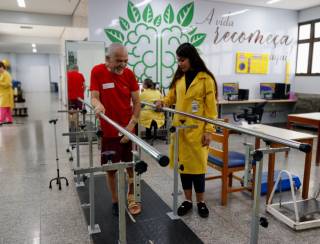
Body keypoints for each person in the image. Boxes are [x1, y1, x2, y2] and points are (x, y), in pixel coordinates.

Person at [156, 43, 218, 218]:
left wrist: (209, 130)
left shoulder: (206, 79)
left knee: (198, 169)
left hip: (198, 130)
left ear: (192, 58)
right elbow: (171, 97)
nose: (180, 63)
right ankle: (188, 200)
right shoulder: (179, 78)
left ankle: (201, 202)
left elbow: (211, 109)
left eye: (182, 60)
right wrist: (163, 102)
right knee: (183, 167)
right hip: (180, 130)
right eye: (178, 60)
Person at [90, 43, 141, 216]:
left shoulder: (129, 74)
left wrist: (131, 126)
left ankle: (132, 197)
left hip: (128, 129)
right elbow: (94, 97)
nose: (123, 64)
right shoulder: (97, 71)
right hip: (109, 131)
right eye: (119, 61)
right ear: (107, 59)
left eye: (126, 60)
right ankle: (115, 201)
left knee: (130, 166)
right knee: (110, 169)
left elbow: (137, 101)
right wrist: (98, 105)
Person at [139, 78, 165, 144]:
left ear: (145, 85)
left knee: (141, 114)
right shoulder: (158, 92)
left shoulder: (143, 93)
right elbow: (162, 102)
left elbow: (140, 105)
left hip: (147, 117)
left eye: (143, 83)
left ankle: (147, 137)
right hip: (158, 116)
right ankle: (152, 136)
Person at [0, 61, 14, 125]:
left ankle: (1, 120)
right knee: (7, 107)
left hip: (6, 93)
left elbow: (8, 84)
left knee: (2, 106)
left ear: (2, 67)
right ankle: (10, 120)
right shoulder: (1, 74)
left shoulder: (6, 74)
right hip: (3, 93)